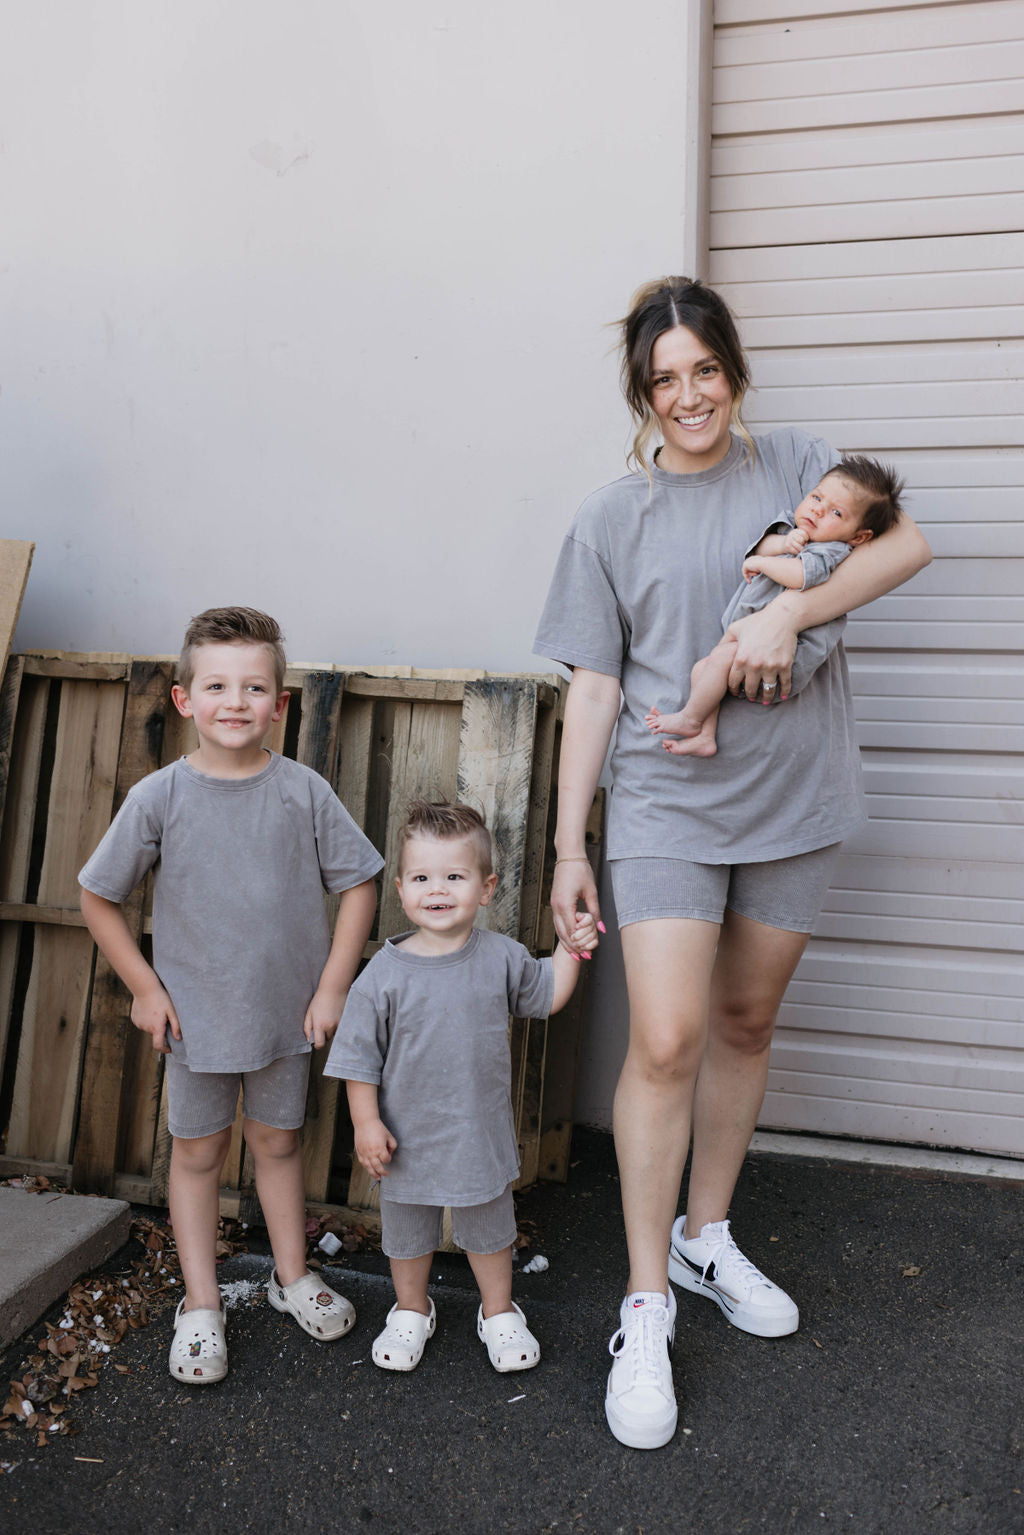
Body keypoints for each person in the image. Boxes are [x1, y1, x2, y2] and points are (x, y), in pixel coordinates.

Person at [534, 277, 931, 1450]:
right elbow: (596, 685)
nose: (688, 393)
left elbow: (907, 543)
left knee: (746, 1022)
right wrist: (569, 842)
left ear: (731, 369)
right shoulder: (611, 516)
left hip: (794, 793)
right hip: (664, 800)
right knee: (666, 1037)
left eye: (703, 368)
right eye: (664, 379)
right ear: (642, 396)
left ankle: (708, 1235)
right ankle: (645, 1300)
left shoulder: (801, 463)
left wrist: (783, 620)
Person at [79, 607, 383, 1385]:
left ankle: (290, 1277)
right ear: (186, 700)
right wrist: (145, 988)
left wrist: (332, 985)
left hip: (288, 1017)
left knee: (279, 1143)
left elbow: (360, 883)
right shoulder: (159, 797)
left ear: (280, 703)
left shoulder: (304, 792)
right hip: (197, 1023)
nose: (236, 701)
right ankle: (202, 1304)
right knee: (199, 1154)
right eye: (217, 685)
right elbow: (97, 897)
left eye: (254, 686)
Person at [324, 800, 598, 1374]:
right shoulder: (384, 973)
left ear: (486, 886)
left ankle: (497, 1311)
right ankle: (410, 1309)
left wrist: (572, 945)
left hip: (477, 1131)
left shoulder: (500, 957)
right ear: (401, 889)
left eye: (455, 876)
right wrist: (366, 1123)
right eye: (422, 877)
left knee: (489, 1228)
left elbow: (548, 994)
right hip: (404, 1136)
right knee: (407, 1233)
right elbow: (357, 1058)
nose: (438, 889)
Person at [646, 456, 904, 756]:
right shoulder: (794, 529)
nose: (817, 510)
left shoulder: (833, 550)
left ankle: (689, 718)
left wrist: (762, 563)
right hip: (748, 639)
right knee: (702, 670)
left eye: (835, 512)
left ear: (859, 536)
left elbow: (801, 575)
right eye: (816, 497)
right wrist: (782, 545)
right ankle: (705, 734)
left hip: (781, 658)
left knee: (718, 661)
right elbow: (763, 545)